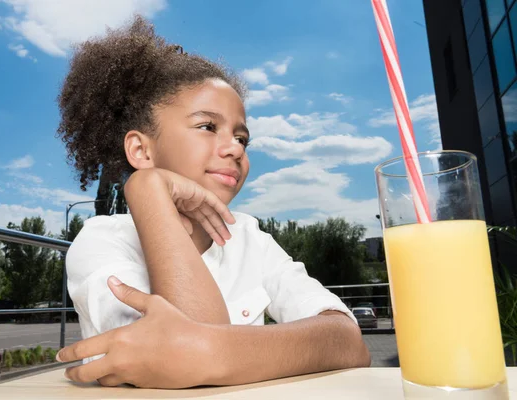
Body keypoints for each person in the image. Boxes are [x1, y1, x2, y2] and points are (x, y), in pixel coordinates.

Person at [55, 16, 371, 389]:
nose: (235, 148)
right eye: (207, 126)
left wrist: (214, 352)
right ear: (141, 149)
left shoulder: (250, 238)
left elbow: (348, 339)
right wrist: (145, 190)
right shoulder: (100, 242)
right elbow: (183, 370)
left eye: (243, 138)